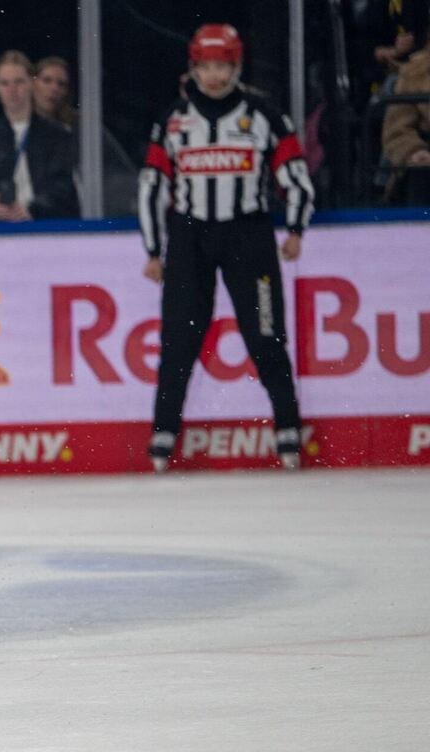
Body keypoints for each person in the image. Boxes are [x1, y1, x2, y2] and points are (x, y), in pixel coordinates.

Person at [138, 24, 315, 473]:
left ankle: (288, 428)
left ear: (236, 67)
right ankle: (163, 433)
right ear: (193, 68)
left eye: (223, 66)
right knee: (179, 339)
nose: (214, 76)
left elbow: (296, 177)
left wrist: (295, 228)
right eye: (206, 66)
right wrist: (153, 251)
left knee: (266, 335)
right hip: (190, 237)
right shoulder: (174, 119)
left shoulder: (265, 115)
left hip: (248, 235)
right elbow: (151, 187)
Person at [0, 50, 79, 222]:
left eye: (19, 82)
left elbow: (63, 186)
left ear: (31, 83)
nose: (12, 90)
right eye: (4, 83)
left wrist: (32, 209)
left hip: (47, 226)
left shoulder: (56, 135)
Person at [381, 29, 430, 205]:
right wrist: (415, 151)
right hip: (426, 159)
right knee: (420, 171)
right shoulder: (415, 71)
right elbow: (396, 130)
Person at [30, 55, 76, 131]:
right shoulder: (17, 122)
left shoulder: (80, 125)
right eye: (47, 80)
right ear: (33, 83)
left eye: (61, 84)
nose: (54, 89)